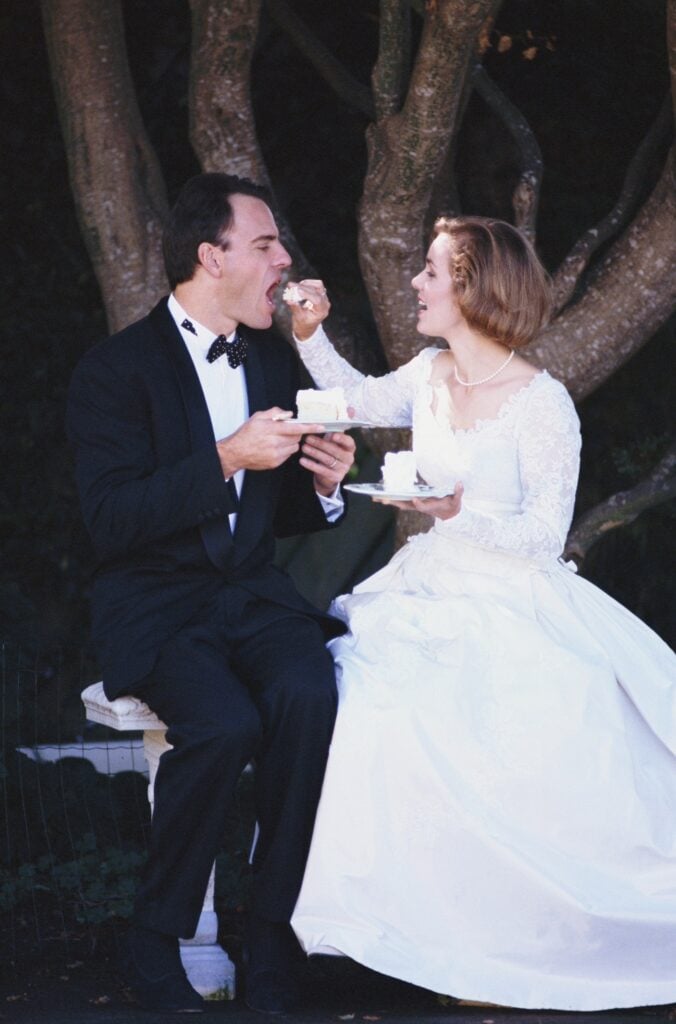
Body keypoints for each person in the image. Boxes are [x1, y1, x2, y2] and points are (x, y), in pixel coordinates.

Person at [285, 216, 676, 1012]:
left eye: (431, 273)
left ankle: (513, 946)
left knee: (513, 733)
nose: (417, 286)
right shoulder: (429, 374)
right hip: (423, 590)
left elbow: (542, 536)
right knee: (374, 709)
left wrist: (456, 511)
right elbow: (351, 399)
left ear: (474, 288)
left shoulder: (544, 404)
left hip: (511, 597)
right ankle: (411, 935)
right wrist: (307, 333)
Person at [66, 173, 357, 1014]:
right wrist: (226, 457)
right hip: (159, 607)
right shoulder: (115, 369)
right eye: (266, 245)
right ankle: (154, 943)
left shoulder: (272, 355)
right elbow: (112, 519)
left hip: (254, 602)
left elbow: (283, 502)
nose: (283, 261)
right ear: (211, 255)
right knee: (223, 723)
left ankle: (269, 937)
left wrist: (328, 488)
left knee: (311, 695)